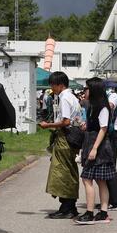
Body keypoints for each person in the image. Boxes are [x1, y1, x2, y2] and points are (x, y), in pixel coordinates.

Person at [38, 71, 80, 219]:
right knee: (68, 170)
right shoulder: (71, 97)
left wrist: (48, 124)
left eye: (53, 85)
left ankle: (67, 207)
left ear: (60, 85)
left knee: (62, 171)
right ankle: (69, 205)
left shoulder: (64, 98)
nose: (51, 88)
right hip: (71, 137)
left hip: (65, 137)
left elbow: (66, 121)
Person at [75, 78, 117, 225]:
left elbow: (103, 128)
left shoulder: (102, 106)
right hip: (92, 143)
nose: (85, 91)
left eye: (87, 88)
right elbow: (97, 125)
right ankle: (103, 212)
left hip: (98, 146)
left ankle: (90, 212)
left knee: (87, 179)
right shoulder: (92, 105)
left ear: (94, 90)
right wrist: (86, 125)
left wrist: (94, 148)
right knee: (100, 180)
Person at [104, 81, 117, 211]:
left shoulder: (112, 95)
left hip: (113, 134)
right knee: (106, 168)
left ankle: (115, 202)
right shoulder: (111, 95)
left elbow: (110, 106)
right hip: (111, 134)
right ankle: (108, 199)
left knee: (110, 168)